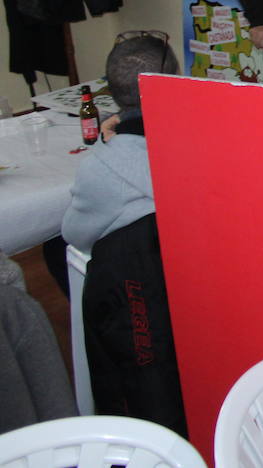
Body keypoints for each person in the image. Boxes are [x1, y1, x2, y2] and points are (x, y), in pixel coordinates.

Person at [62, 31, 185, 434]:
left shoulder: (103, 167)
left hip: (139, 312)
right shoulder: (196, 143)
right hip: (196, 296)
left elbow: (76, 235)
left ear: (112, 96)